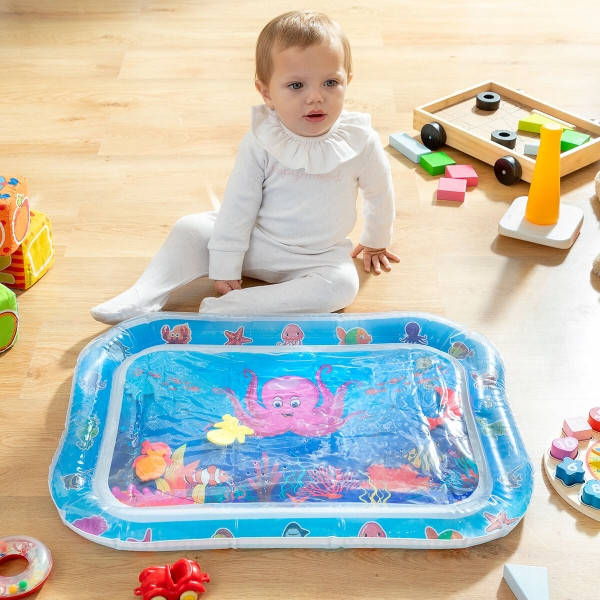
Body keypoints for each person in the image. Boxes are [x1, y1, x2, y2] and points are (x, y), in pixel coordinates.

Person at [91, 10, 398, 325]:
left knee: (343, 287)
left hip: (319, 257)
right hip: (257, 243)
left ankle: (238, 306)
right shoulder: (261, 142)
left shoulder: (360, 141)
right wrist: (226, 265)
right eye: (296, 86)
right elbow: (238, 206)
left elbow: (380, 193)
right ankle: (145, 295)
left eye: (330, 82)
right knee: (191, 229)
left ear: (348, 81)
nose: (315, 97)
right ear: (266, 92)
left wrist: (376, 239)